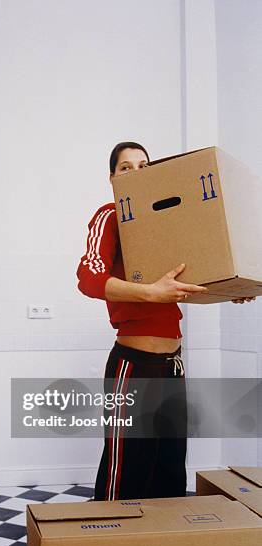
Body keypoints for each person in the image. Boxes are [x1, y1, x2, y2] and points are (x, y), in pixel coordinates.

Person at [76, 141, 255, 501]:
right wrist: (151, 293)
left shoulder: (165, 224)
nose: (137, 173)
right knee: (126, 469)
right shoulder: (110, 216)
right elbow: (88, 278)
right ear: (113, 178)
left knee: (169, 469)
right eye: (127, 168)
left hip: (172, 366)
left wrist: (228, 289)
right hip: (135, 366)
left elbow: (184, 285)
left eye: (144, 165)